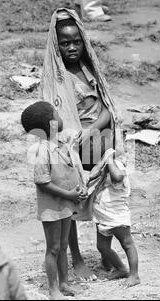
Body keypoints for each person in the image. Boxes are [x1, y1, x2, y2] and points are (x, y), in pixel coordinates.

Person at [40, 8, 122, 281]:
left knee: (105, 201)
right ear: (56, 44)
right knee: (71, 203)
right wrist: (76, 136)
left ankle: (105, 252)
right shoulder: (56, 79)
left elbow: (107, 109)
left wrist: (92, 130)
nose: (72, 47)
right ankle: (75, 258)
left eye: (76, 41)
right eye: (65, 43)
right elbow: (52, 123)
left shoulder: (89, 70)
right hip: (70, 151)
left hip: (100, 142)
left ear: (83, 41)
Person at [21, 101, 87, 300]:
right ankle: (53, 289)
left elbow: (72, 170)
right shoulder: (43, 150)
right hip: (52, 207)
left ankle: (64, 282)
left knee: (64, 244)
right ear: (51, 124)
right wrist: (69, 195)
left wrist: (80, 187)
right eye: (57, 114)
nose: (61, 117)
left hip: (66, 204)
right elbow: (42, 182)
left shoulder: (61, 145)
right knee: (54, 248)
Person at [91, 150, 140, 287]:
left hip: (116, 215)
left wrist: (110, 160)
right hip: (103, 216)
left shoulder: (117, 165)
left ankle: (134, 275)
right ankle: (121, 268)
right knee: (102, 246)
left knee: (127, 244)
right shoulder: (102, 166)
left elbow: (118, 178)